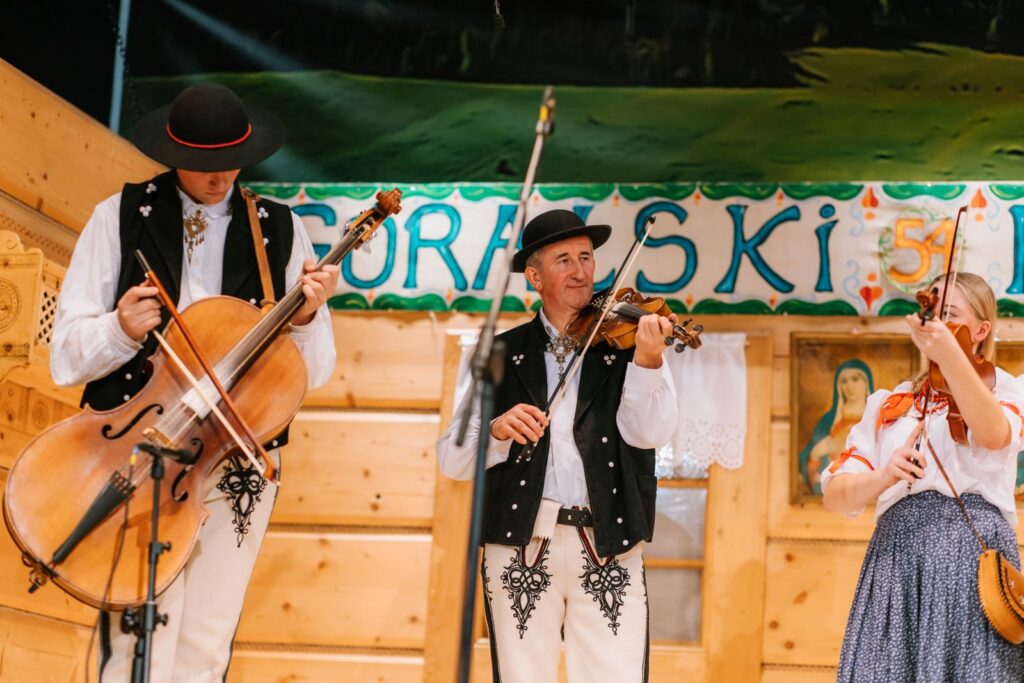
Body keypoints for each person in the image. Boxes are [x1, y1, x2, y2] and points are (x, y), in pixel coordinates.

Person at [49, 83, 338, 682]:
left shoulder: (280, 229)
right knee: (136, 635)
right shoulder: (119, 216)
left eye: (232, 160)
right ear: (174, 153)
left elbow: (317, 369)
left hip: (236, 455)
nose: (220, 176)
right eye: (205, 163)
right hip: (142, 446)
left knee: (207, 640)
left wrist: (307, 319)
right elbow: (65, 359)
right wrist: (119, 330)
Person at [435, 209, 678, 683]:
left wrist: (647, 362)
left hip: (608, 541)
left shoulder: (628, 345)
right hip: (520, 544)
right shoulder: (502, 351)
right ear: (534, 277)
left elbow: (650, 434)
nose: (581, 271)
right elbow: (452, 458)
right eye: (564, 260)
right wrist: (496, 431)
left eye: (586, 257)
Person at [822, 272, 1024, 681]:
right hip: (897, 557)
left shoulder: (1005, 390)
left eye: (952, 314)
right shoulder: (890, 401)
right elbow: (836, 496)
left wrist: (951, 357)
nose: (938, 322)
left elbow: (994, 434)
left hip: (971, 561)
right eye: (933, 312)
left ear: (981, 330)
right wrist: (883, 477)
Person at [800, 360, 873, 494]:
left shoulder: (877, 417)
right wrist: (816, 454)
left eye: (855, 379)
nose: (849, 386)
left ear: (866, 382)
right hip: (836, 492)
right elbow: (809, 459)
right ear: (838, 387)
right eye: (844, 381)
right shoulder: (828, 421)